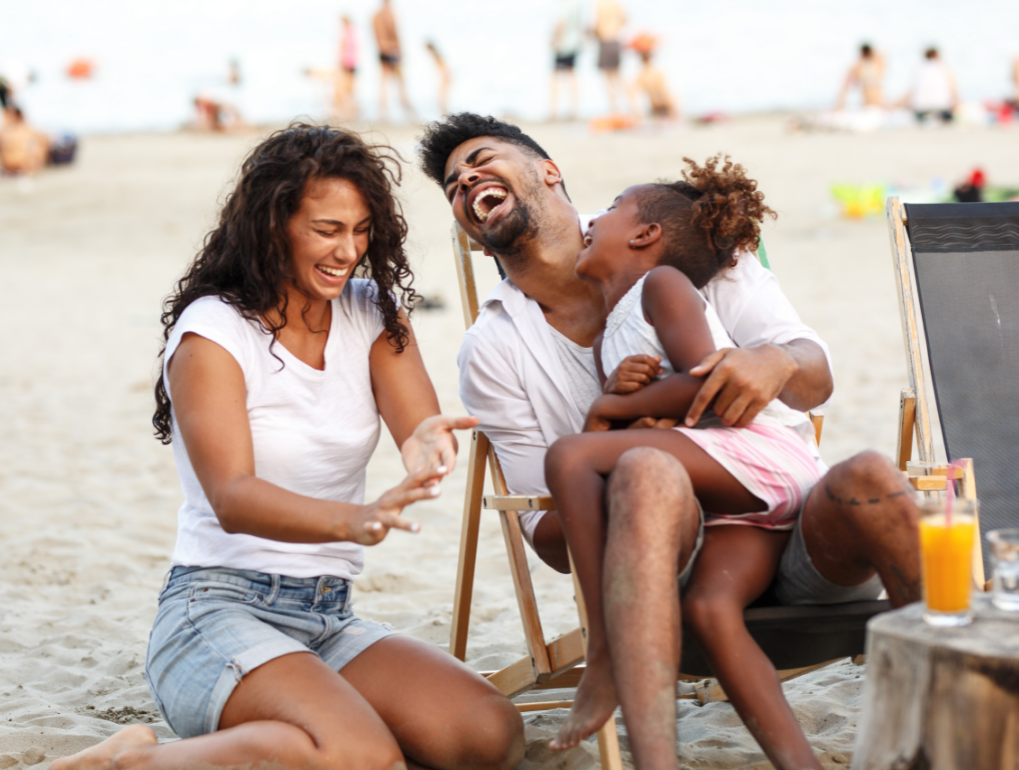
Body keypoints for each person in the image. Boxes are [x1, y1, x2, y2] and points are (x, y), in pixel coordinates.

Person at [417, 113, 921, 770]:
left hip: (802, 533)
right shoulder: (494, 350)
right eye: (453, 185)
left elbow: (805, 379)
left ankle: (965, 698)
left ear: (548, 171)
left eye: (481, 159)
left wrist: (777, 360)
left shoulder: (677, 252)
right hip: (678, 572)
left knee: (872, 475)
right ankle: (617, 665)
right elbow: (544, 539)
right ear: (475, 238)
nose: (466, 181)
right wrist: (621, 447)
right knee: (647, 471)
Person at [54, 124, 523, 770]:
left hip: (326, 617)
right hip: (213, 614)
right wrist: (352, 520)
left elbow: (417, 426)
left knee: (486, 735)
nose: (348, 250)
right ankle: (135, 761)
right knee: (362, 756)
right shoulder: (214, 333)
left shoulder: (373, 313)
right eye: (327, 229)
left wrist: (424, 447)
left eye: (361, 230)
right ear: (274, 224)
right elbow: (232, 497)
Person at [545, 156, 831, 768]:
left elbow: (711, 389)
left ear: (646, 236)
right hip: (741, 506)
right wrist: (618, 408)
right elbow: (652, 416)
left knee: (570, 456)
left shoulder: (662, 286)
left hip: (761, 453)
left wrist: (615, 410)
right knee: (712, 613)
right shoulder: (612, 334)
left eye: (611, 207)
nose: (590, 220)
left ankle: (603, 656)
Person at [372, 0, 416, 122]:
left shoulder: (375, 15)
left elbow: (376, 36)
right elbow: (395, 34)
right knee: (400, 83)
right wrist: (398, 51)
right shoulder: (389, 14)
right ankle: (407, 111)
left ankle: (383, 112)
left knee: (384, 83)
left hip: (382, 50)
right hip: (391, 51)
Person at [594, 0, 632, 116]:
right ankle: (630, 106)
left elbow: (597, 23)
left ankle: (614, 108)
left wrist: (597, 34)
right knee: (618, 77)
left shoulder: (599, 3)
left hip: (605, 41)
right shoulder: (616, 3)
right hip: (616, 40)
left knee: (608, 78)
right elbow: (625, 19)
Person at [550, 0, 585, 122]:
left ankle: (554, 110)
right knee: (572, 77)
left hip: (562, 46)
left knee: (555, 79)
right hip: (573, 44)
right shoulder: (577, 5)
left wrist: (554, 39)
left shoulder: (564, 7)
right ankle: (574, 109)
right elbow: (581, 25)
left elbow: (560, 24)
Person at [903, 47, 957, 123]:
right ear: (937, 55)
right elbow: (952, 87)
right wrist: (955, 102)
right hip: (941, 106)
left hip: (921, 107)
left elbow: (912, 90)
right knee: (949, 118)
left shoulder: (918, 68)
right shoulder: (944, 67)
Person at [0, 106, 49, 175]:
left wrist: (38, 157)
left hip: (22, 165)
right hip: (11, 166)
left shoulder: (25, 130)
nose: (5, 119)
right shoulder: (4, 132)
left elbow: (45, 139)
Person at [835, 43, 886, 109]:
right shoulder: (860, 67)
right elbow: (845, 87)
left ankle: (839, 107)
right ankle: (839, 107)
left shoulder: (875, 64)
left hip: (877, 106)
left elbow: (844, 88)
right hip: (870, 106)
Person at [633, 47, 677, 121]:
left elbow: (635, 95)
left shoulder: (641, 75)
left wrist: (638, 113)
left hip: (655, 106)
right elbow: (666, 91)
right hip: (666, 103)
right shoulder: (658, 72)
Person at [336, 16, 360, 123]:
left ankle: (349, 111)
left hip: (346, 64)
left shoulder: (347, 32)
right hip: (353, 63)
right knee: (350, 90)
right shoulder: (354, 32)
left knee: (344, 90)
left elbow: (343, 49)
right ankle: (351, 111)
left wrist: (341, 62)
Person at [426, 41, 451, 116]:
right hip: (443, 80)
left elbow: (444, 70)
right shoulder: (436, 57)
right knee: (440, 100)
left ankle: (445, 116)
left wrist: (444, 81)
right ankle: (444, 116)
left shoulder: (437, 57)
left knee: (441, 100)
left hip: (444, 81)